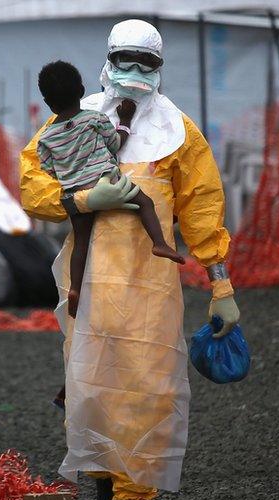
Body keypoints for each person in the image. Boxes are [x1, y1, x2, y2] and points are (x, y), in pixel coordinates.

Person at [20, 19, 240, 500]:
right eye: (127, 60)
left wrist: (221, 284)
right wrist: (78, 202)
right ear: (108, 58)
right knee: (93, 383)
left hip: (151, 286)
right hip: (89, 281)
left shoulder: (179, 133)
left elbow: (203, 209)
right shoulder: (71, 121)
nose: (135, 73)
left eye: (147, 63)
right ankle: (103, 478)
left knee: (149, 386)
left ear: (160, 68)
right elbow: (33, 186)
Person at [35, 60, 185, 319]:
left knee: (81, 242)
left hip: (76, 193)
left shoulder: (46, 137)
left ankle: (75, 289)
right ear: (82, 90)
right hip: (107, 181)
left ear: (48, 102)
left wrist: (71, 173)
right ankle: (160, 243)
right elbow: (116, 143)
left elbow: (47, 168)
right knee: (144, 203)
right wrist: (125, 119)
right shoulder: (94, 119)